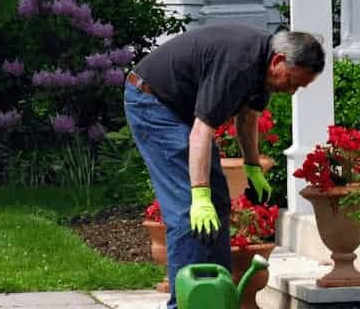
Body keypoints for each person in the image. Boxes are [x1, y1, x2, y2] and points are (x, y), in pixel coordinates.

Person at [123, 23, 325, 308]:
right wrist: (199, 195)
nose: (292, 91)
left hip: (180, 109)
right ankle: (184, 304)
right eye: (293, 82)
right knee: (187, 211)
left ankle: (217, 299)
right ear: (279, 60)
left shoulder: (263, 69)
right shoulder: (239, 65)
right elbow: (201, 133)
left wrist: (253, 167)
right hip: (153, 101)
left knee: (218, 202)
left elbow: (248, 118)